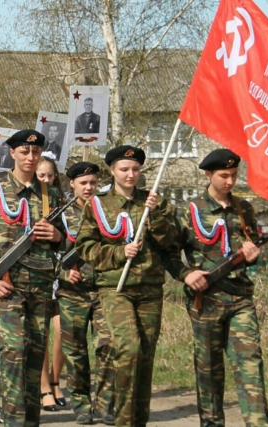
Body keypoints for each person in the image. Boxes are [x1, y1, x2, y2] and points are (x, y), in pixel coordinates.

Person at [165, 149, 268, 427]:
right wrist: (187, 274)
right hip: (206, 300)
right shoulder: (188, 211)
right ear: (208, 174)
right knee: (209, 369)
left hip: (240, 298)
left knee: (250, 363)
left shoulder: (244, 208)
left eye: (235, 175)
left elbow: (254, 244)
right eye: (224, 175)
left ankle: (259, 423)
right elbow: (169, 253)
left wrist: (253, 254)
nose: (230, 181)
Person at [0, 129, 66, 426]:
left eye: (36, 152)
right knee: (12, 353)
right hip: (7, 287)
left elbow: (67, 243)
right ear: (12, 153)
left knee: (35, 359)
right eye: (24, 152)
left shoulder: (51, 193)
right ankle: (13, 421)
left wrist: (58, 236)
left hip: (40, 287)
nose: (30, 157)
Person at [75, 146, 175, 427]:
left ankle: (137, 421)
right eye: (124, 169)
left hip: (150, 288)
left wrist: (155, 215)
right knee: (128, 349)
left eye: (135, 169)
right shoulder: (97, 204)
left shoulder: (154, 201)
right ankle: (121, 420)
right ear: (112, 171)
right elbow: (85, 247)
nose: (131, 175)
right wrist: (120, 254)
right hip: (115, 288)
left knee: (144, 356)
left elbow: (171, 243)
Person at [57, 162, 116, 425]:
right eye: (83, 183)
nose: (89, 187)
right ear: (72, 184)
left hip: (104, 290)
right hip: (72, 294)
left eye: (93, 182)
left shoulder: (107, 211)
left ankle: (104, 405)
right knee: (75, 351)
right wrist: (62, 272)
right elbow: (45, 252)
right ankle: (81, 404)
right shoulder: (60, 214)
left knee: (108, 347)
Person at [35, 157, 67, 413]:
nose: (46, 180)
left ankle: (56, 380)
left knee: (64, 330)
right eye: (41, 176)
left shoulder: (62, 201)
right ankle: (44, 386)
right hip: (39, 273)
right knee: (42, 331)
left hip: (62, 272)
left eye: (50, 175)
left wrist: (59, 237)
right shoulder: (30, 201)